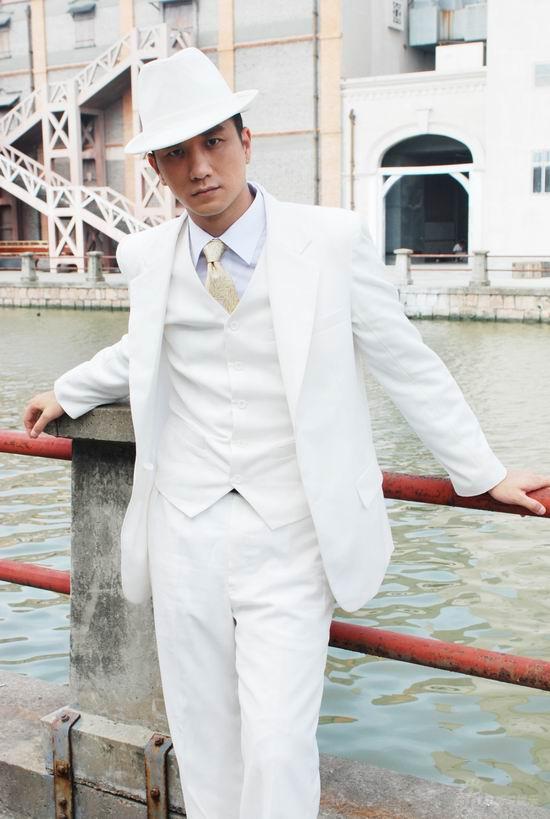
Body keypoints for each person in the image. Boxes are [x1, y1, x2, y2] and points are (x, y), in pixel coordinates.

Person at [23, 48, 549, 819]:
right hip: (185, 529)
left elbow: (406, 360)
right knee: (205, 741)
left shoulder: (330, 242)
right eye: (177, 154)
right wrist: (65, 391)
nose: (200, 167)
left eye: (214, 142)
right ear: (158, 170)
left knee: (276, 744)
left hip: (294, 532)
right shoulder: (149, 259)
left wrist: (482, 469)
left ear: (246, 139)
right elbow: (143, 350)